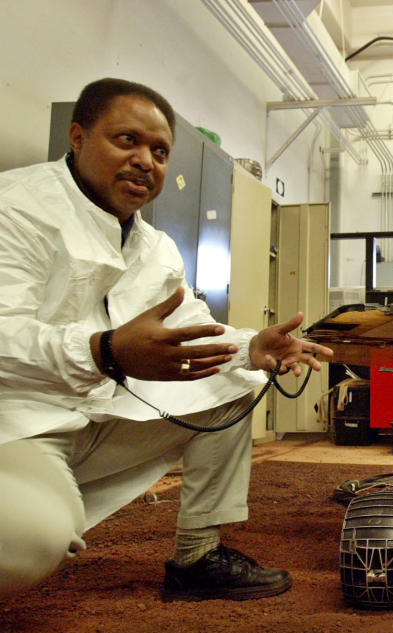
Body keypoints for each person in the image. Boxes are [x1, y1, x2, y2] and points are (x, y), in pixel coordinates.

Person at [0, 78, 333, 601]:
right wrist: (103, 350)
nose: (145, 161)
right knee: (28, 541)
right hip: (18, 427)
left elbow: (189, 325)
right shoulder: (16, 208)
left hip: (97, 416)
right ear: (78, 137)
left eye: (159, 151)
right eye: (126, 141)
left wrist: (251, 347)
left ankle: (197, 556)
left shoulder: (156, 247)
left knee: (233, 388)